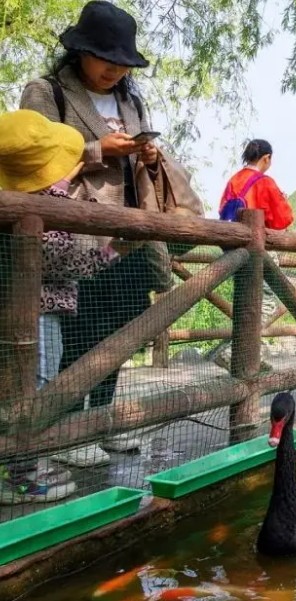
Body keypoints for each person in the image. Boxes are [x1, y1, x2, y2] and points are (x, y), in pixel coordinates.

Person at [20, 0, 163, 462]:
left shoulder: (131, 101)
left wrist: (149, 157)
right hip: (74, 235)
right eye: (105, 58)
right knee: (77, 330)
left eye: (122, 63)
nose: (114, 70)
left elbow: (142, 165)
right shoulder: (46, 92)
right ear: (80, 51)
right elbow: (31, 157)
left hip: (128, 235)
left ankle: (101, 421)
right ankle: (65, 430)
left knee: (119, 329)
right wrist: (98, 148)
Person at [0, 109, 142, 503]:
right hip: (39, 311)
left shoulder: (17, 197)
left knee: (18, 388)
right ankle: (21, 475)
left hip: (15, 310)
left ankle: (21, 465)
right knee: (39, 387)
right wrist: (113, 250)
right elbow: (65, 261)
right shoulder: (46, 205)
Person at [212, 139, 295, 372]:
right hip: (260, 251)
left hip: (234, 250)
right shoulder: (265, 182)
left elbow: (222, 211)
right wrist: (283, 200)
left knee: (244, 302)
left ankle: (247, 356)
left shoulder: (233, 180)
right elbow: (284, 219)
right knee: (264, 303)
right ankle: (233, 352)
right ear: (266, 158)